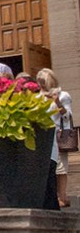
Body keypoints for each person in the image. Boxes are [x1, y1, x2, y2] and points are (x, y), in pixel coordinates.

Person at [37, 67, 73, 208]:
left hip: (59, 134)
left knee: (61, 167)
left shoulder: (63, 95)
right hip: (43, 135)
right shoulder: (38, 97)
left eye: (43, 82)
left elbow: (67, 116)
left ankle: (62, 196)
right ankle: (53, 196)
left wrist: (57, 102)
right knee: (50, 166)